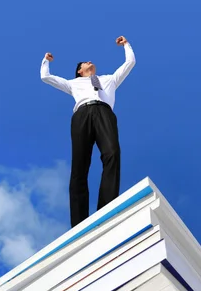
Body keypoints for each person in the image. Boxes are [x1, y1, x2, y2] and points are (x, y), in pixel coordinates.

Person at [41, 36, 136, 227]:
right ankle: (79, 222)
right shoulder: (72, 83)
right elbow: (45, 77)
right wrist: (46, 61)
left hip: (104, 112)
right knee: (79, 166)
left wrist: (126, 44)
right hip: (82, 114)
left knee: (113, 153)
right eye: (86, 62)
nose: (90, 62)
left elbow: (130, 62)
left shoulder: (109, 79)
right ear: (79, 71)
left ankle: (106, 208)